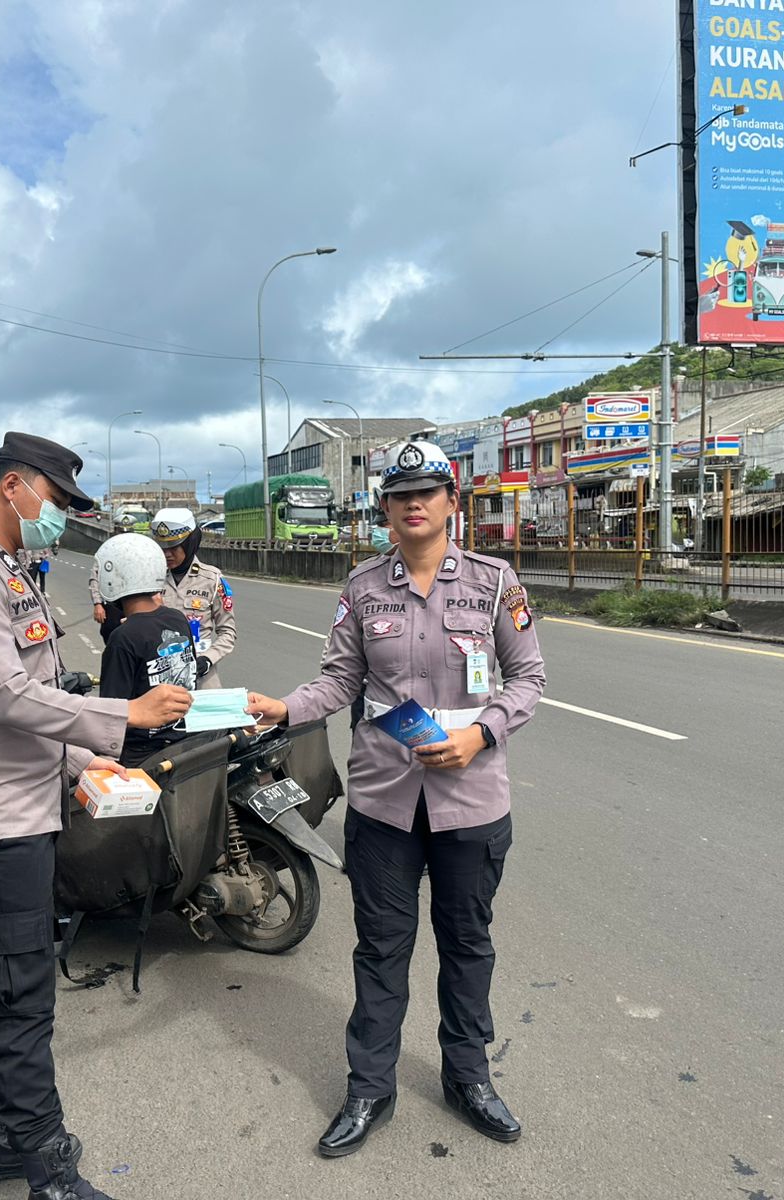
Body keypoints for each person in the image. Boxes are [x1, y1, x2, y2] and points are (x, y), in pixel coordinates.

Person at [247, 440, 546, 1159]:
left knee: (467, 944)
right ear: (384, 508)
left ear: (451, 501)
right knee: (381, 948)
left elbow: (528, 678)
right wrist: (283, 708)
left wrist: (480, 734)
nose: (414, 504)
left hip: (471, 800)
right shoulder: (362, 587)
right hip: (385, 803)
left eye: (427, 491)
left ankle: (468, 1077)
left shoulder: (494, 583)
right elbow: (338, 681)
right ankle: (370, 1088)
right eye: (400, 494)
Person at [0, 433, 192, 1200]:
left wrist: (85, 763)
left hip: (19, 811)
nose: (61, 516)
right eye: (56, 500)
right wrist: (125, 715)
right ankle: (51, 1172)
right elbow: (6, 696)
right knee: (21, 1000)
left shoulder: (9, 572)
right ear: (14, 486)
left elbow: (34, 707)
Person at [93, 533, 198, 765]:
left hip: (139, 754)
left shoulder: (122, 638)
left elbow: (112, 711)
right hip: (183, 741)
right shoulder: (177, 618)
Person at [148, 507, 235, 689]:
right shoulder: (149, 578)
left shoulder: (212, 579)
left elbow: (228, 632)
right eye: (162, 547)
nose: (167, 554)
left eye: (174, 547)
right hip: (159, 674)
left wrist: (207, 659)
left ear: (189, 543)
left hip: (201, 676)